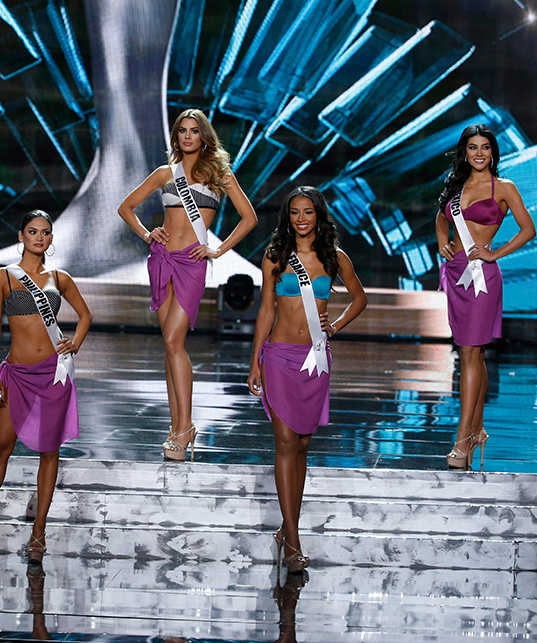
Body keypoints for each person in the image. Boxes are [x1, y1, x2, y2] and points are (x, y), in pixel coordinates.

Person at [118, 108, 257, 461]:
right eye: (182, 131)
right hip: (162, 259)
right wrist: (148, 232)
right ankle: (176, 424)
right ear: (176, 136)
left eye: (194, 131)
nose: (187, 136)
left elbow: (249, 217)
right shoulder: (166, 173)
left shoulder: (218, 175)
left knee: (172, 340)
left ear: (203, 136)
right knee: (170, 345)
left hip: (192, 264)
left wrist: (218, 249)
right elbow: (126, 207)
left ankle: (185, 427)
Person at [0, 210, 91, 565]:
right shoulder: (3, 277)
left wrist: (75, 341)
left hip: (54, 373)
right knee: (1, 447)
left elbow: (86, 315)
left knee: (49, 451)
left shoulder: (60, 278)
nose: (39, 238)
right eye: (33, 231)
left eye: (45, 233)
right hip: (17, 374)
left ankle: (38, 533)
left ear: (50, 238)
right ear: (21, 235)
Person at [247, 187, 366, 573]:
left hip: (315, 360)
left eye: (308, 212)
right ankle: (294, 541)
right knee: (285, 442)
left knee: (301, 445)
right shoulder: (275, 257)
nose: (301, 219)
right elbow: (266, 310)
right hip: (279, 357)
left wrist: (338, 325)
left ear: (319, 216)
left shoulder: (334, 258)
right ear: (288, 217)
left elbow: (360, 298)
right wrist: (255, 362)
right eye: (295, 212)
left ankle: (286, 530)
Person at [436, 124, 534, 470]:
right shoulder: (457, 189)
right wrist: (442, 243)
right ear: (465, 152)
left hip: (481, 278)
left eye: (485, 148)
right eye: (472, 148)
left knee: (469, 354)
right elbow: (440, 218)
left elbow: (528, 229)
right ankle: (477, 429)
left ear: (493, 152)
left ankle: (462, 440)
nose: (479, 153)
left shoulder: (503, 187)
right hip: (455, 275)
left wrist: (495, 254)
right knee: (472, 354)